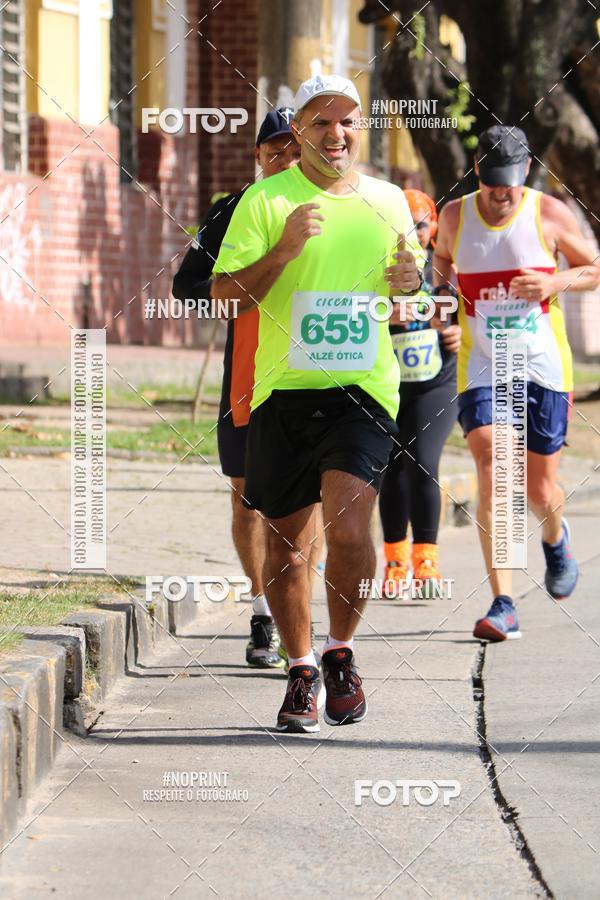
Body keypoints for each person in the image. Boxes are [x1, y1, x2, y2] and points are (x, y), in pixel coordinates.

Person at [212, 74, 423, 732]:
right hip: (283, 395)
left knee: (353, 531)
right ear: (299, 130)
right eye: (322, 122)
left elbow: (405, 296)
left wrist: (410, 284)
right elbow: (224, 297)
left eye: (348, 121)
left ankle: (341, 653)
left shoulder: (388, 201)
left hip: (363, 391)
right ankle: (300, 667)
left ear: (361, 129)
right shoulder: (265, 201)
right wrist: (283, 249)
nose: (337, 133)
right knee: (285, 553)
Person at [434, 124, 600, 641]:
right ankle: (503, 601)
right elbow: (440, 259)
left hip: (542, 366)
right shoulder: (455, 214)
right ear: (477, 170)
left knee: (538, 485)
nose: (501, 193)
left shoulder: (548, 212)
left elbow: (593, 268)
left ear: (525, 170)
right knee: (493, 464)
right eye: (491, 181)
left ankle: (556, 538)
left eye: (510, 181)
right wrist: (447, 290)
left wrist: (554, 281)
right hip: (484, 362)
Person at [173, 108, 324, 669]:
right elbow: (188, 286)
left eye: (294, 150)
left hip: (314, 374)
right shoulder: (233, 211)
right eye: (274, 151)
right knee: (246, 502)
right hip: (248, 376)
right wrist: (248, 282)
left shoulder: (330, 206)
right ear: (258, 158)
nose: (286, 159)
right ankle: (262, 610)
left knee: (306, 508)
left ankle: (298, 627)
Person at [379, 189, 461, 598]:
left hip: (437, 382)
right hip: (389, 383)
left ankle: (425, 560)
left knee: (424, 463)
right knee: (391, 468)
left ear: (433, 229)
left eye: (421, 223)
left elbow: (474, 319)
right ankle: (394, 559)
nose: (414, 230)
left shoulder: (446, 269)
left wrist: (460, 332)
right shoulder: (380, 266)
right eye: (405, 223)